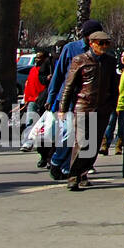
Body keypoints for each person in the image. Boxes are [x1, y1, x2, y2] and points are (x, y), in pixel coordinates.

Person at [56, 30, 120, 191]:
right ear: (92, 43)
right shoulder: (80, 60)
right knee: (82, 142)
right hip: (84, 107)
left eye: (107, 43)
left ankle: (83, 173)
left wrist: (113, 104)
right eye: (101, 43)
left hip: (103, 109)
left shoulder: (110, 61)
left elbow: (114, 86)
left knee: (94, 144)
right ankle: (73, 176)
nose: (104, 46)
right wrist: (62, 108)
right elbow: (68, 86)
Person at [43, 19, 104, 179]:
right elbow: (59, 74)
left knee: (83, 138)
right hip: (69, 99)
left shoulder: (101, 52)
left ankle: (68, 168)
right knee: (69, 132)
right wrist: (51, 96)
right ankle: (57, 160)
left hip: (88, 101)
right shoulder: (71, 49)